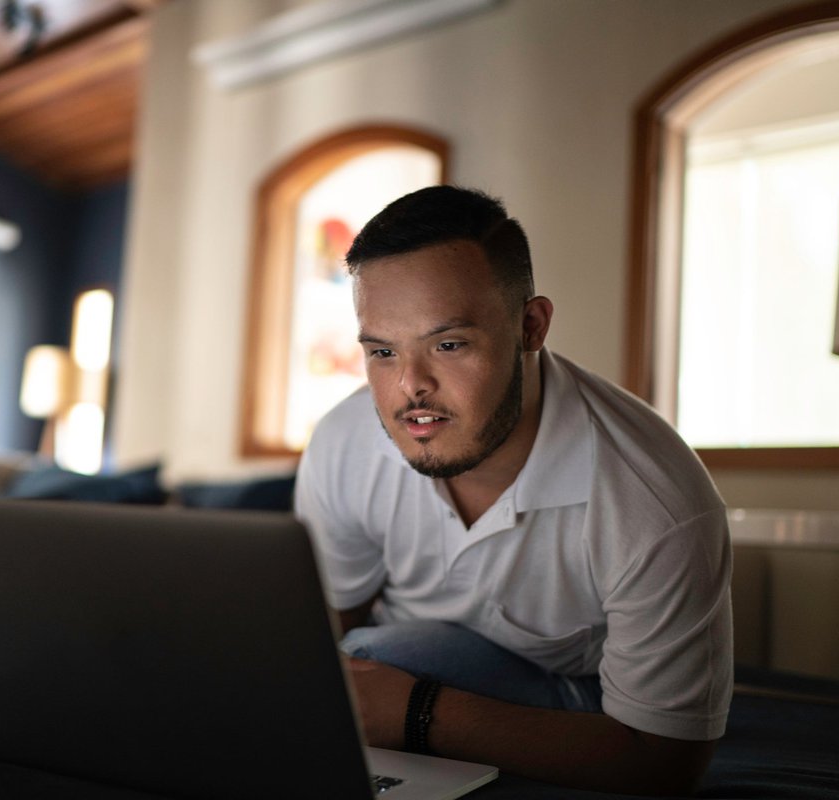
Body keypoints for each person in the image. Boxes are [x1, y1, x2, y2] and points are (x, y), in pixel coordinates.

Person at [294, 185, 732, 796]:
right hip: (400, 664)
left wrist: (417, 713)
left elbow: (665, 759)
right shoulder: (345, 441)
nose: (409, 388)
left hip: (570, 701)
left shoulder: (652, 499)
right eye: (384, 352)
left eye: (448, 345)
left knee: (377, 650)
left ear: (531, 326)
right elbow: (319, 626)